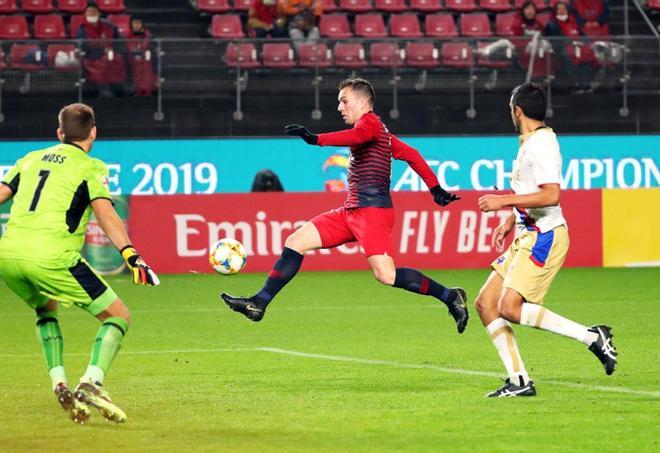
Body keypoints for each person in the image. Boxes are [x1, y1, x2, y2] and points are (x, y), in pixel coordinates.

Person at [221, 78, 469, 334]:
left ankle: (451, 296)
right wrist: (435, 188)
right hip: (351, 211)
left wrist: (316, 139)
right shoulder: (380, 132)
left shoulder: (370, 124)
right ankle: (258, 303)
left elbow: (359, 136)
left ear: (363, 102)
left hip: (373, 212)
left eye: (344, 100)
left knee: (387, 276)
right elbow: (412, 154)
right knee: (296, 241)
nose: (339, 107)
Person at [0, 103, 159, 423]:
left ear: (59, 134)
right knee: (118, 316)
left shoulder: (28, 160)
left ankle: (60, 383)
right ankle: (91, 383)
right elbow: (105, 213)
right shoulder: (91, 167)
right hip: (53, 256)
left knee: (46, 309)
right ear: (94, 132)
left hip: (8, 256)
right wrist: (131, 254)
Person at [474, 83, 617, 398]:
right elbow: (534, 194)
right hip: (527, 233)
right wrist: (512, 219)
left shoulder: (541, 144)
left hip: (545, 236)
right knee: (486, 304)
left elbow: (552, 194)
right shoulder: (531, 142)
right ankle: (519, 381)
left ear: (518, 111)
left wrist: (503, 201)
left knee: (510, 307)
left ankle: (592, 337)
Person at [75, 3, 127, 97]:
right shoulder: (82, 30)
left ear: (98, 13)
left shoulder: (109, 26)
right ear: (85, 14)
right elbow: (84, 48)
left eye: (94, 12)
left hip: (110, 54)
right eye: (89, 12)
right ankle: (103, 89)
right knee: (103, 63)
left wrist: (114, 50)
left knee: (118, 59)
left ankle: (118, 89)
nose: (91, 14)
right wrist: (102, 52)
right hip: (91, 57)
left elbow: (119, 41)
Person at [125, 16, 158, 96]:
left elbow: (153, 49)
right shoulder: (127, 36)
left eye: (138, 23)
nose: (136, 25)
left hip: (146, 61)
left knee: (147, 66)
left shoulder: (148, 36)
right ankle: (137, 90)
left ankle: (148, 90)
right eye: (134, 23)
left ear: (142, 24)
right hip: (132, 61)